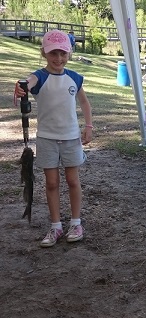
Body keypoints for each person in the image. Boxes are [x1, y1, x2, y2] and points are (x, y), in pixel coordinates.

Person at [14, 29, 93, 248]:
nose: (58, 58)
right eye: (53, 53)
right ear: (44, 53)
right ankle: (56, 225)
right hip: (47, 139)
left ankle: (76, 223)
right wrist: (22, 88)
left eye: (63, 53)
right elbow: (27, 83)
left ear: (69, 53)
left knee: (73, 180)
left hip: (71, 138)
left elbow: (85, 103)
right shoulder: (40, 76)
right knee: (51, 183)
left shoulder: (74, 78)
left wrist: (88, 126)